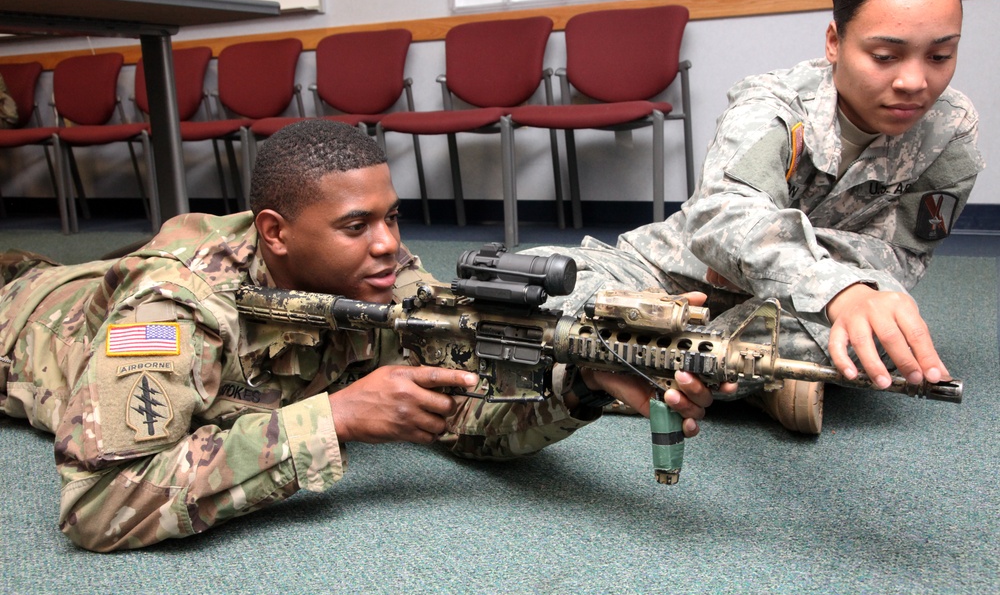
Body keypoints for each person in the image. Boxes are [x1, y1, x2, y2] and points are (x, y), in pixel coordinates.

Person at [0, 119, 719, 552]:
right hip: (23, 323)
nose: (391, 247)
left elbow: (462, 416)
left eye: (393, 217)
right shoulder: (168, 317)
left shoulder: (381, 277)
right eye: (356, 226)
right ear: (275, 234)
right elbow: (97, 507)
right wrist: (334, 418)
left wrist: (578, 383)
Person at [528, 0, 983, 434]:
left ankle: (655, 366)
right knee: (532, 285)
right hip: (677, 278)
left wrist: (826, 282)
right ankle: (756, 379)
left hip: (805, 308)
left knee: (884, 326)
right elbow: (722, 217)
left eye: (939, 56)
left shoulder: (950, 129)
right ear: (835, 42)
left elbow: (898, 258)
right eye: (885, 56)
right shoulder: (774, 105)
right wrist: (834, 278)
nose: (914, 82)